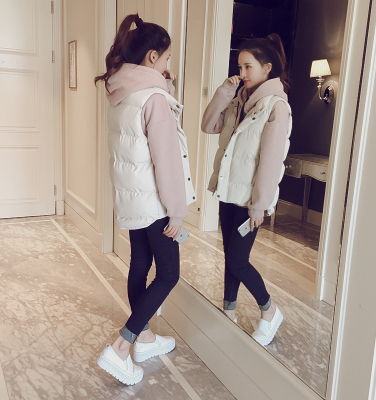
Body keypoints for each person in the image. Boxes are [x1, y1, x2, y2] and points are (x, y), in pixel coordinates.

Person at [94, 14, 195, 385]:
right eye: (166, 58)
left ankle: (146, 339)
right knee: (168, 274)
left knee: (140, 264)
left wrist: (165, 85)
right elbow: (166, 161)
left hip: (132, 198)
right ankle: (122, 346)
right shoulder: (154, 99)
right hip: (155, 202)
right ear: (153, 57)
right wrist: (177, 211)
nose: (168, 64)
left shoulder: (122, 93)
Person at [201, 34, 292, 346]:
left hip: (249, 200)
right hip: (228, 193)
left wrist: (259, 206)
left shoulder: (276, 106)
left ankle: (269, 310)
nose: (242, 72)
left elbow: (271, 160)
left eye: (248, 66)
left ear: (267, 68)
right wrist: (224, 92)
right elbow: (209, 125)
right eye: (239, 66)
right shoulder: (239, 99)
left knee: (239, 261)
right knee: (231, 256)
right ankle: (228, 310)